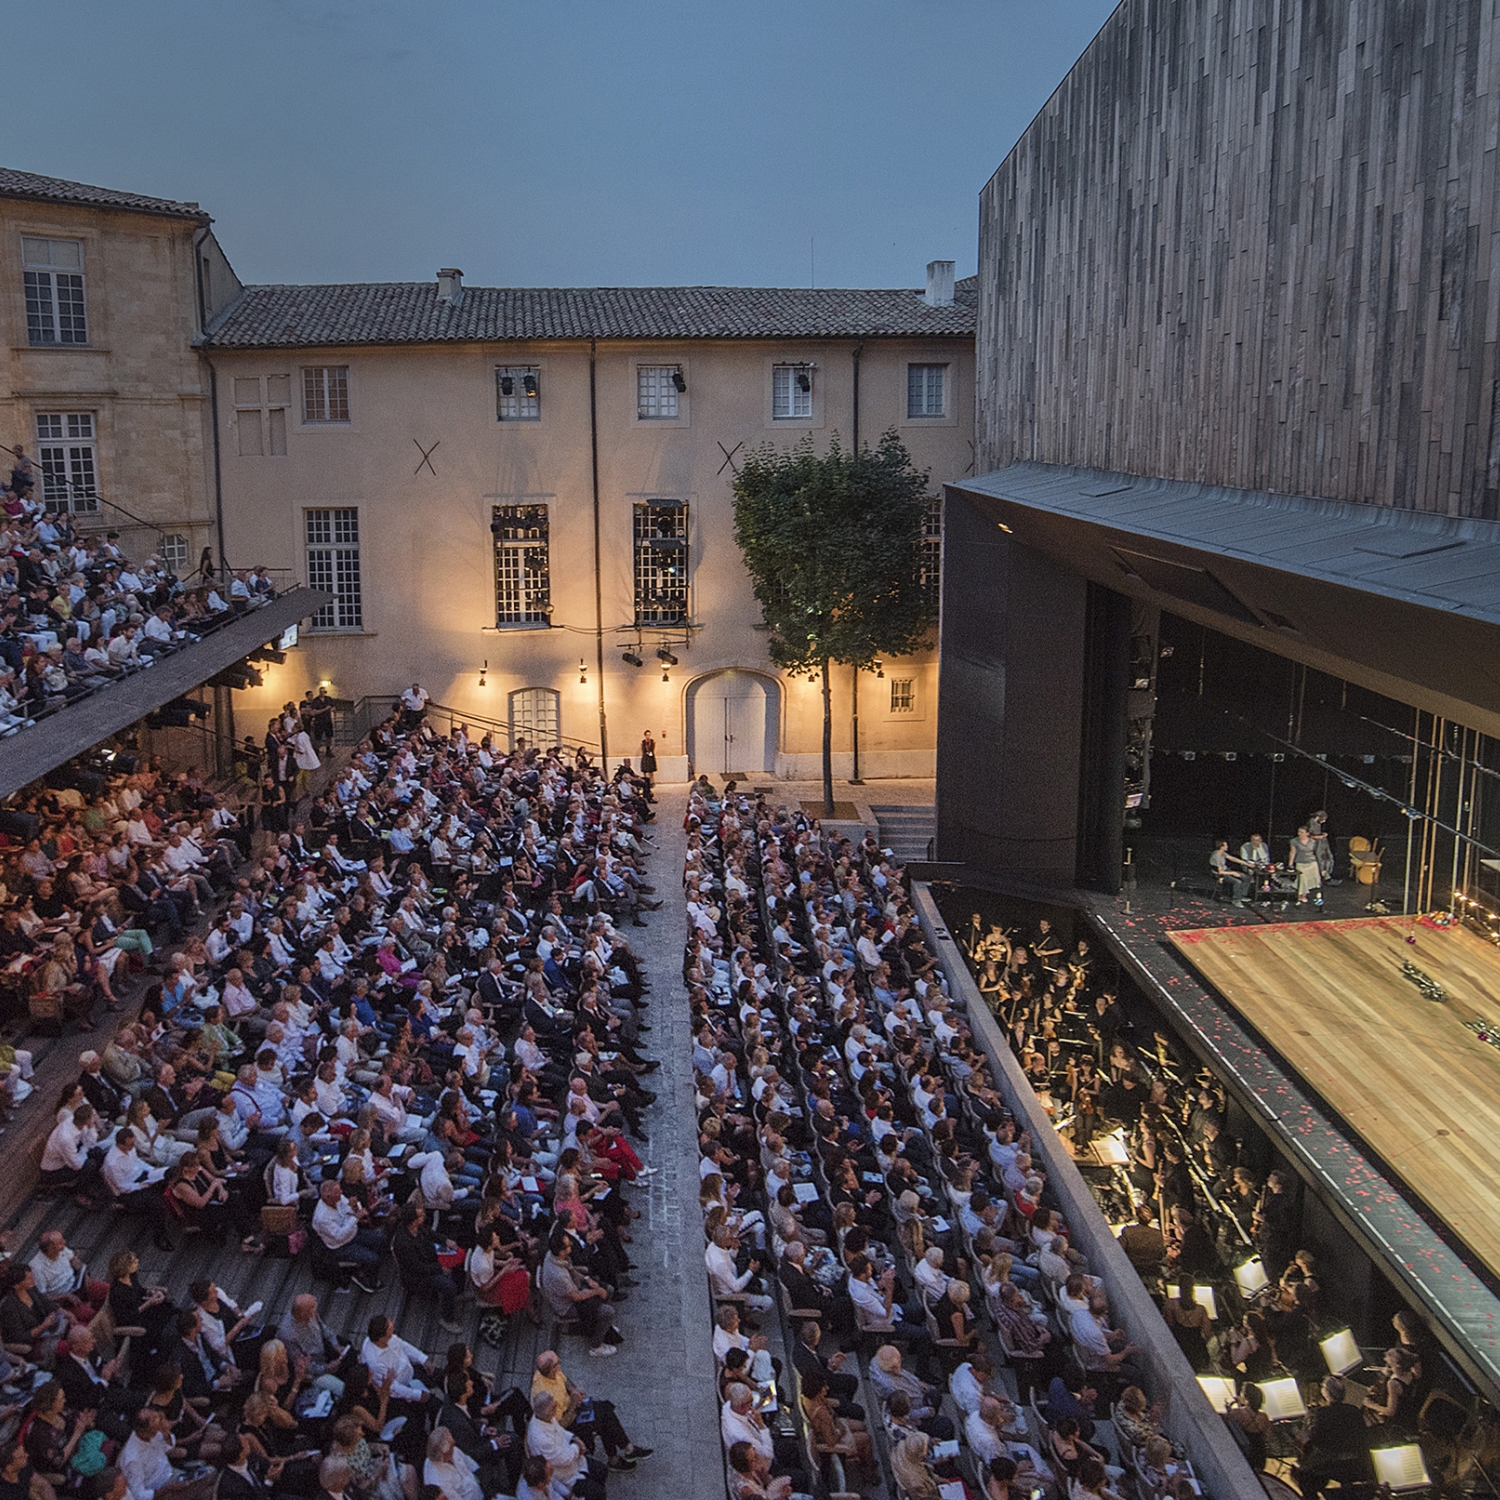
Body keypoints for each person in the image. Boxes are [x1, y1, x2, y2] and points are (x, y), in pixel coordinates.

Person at [1293, 1376, 1374, 1497]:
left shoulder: (1322, 1413)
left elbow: (1316, 1440)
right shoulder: (1354, 1410)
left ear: (1326, 1393)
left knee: (1302, 1474)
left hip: (1333, 1464)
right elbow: (1363, 1435)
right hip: (1357, 1461)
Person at [1288, 826, 1324, 907]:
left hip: (1311, 863)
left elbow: (1317, 853)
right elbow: (1292, 852)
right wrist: (1290, 864)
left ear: (1307, 833)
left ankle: (1304, 895)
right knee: (1302, 879)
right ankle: (1300, 895)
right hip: (1300, 863)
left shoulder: (1313, 842)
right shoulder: (1294, 841)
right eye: (1299, 832)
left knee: (1308, 881)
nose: (1299, 834)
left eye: (1302, 832)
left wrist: (1321, 866)